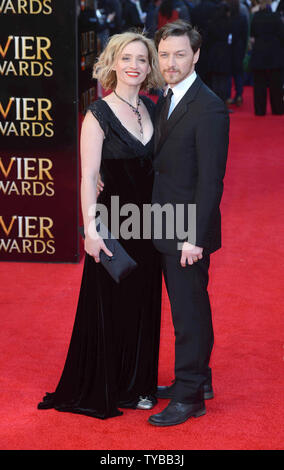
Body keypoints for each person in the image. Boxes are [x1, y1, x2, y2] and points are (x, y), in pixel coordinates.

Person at [37, 31, 164, 419]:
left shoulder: (155, 108)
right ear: (111, 63)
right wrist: (91, 231)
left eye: (142, 59)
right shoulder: (98, 114)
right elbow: (88, 176)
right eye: (126, 58)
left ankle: (138, 384)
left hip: (150, 223)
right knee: (112, 304)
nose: (134, 66)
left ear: (150, 66)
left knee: (145, 302)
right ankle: (107, 383)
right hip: (113, 223)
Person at [148, 20, 229, 427]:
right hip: (164, 221)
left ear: (196, 55)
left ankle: (190, 395)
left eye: (180, 54)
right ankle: (201, 379)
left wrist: (193, 238)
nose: (171, 62)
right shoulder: (168, 96)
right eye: (164, 55)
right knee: (193, 307)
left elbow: (211, 179)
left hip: (186, 231)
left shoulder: (209, 105)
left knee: (188, 315)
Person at [250, 0, 284, 115]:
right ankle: (278, 109)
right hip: (275, 53)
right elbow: (282, 34)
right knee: (276, 84)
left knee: (259, 84)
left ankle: (260, 110)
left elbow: (252, 34)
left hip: (259, 52)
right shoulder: (276, 17)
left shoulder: (256, 17)